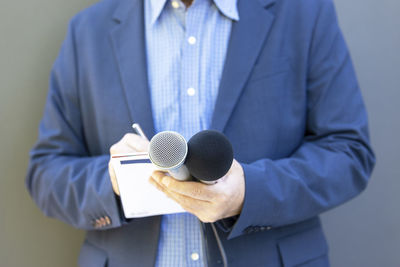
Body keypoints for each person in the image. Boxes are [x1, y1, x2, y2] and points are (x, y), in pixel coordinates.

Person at [26, 0, 375, 266]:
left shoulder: (303, 14)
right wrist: (113, 182)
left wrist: (248, 194)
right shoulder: (88, 31)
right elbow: (46, 172)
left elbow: (348, 152)